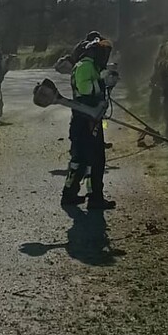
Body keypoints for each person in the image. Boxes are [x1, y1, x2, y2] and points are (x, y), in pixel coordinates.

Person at [61, 34, 118, 210]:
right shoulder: (86, 66)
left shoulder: (86, 65)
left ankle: (69, 195)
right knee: (96, 160)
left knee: (80, 160)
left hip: (83, 120)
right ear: (95, 52)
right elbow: (86, 89)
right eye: (104, 53)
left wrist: (106, 82)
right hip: (88, 122)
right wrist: (103, 82)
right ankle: (95, 199)